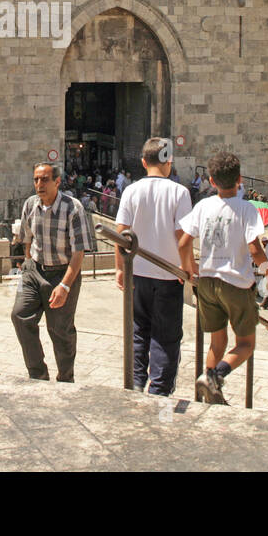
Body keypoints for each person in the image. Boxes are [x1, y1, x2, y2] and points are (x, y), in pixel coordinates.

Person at [179, 150, 268, 405]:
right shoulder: (247, 209)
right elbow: (254, 249)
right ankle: (216, 376)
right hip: (236, 283)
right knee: (246, 344)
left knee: (217, 342)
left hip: (206, 282)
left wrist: (190, 269)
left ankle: (208, 393)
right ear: (239, 179)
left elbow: (184, 243)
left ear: (211, 180)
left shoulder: (203, 205)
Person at [115, 137, 193, 395]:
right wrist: (187, 268)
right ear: (168, 161)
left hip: (137, 273)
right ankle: (159, 391)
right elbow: (183, 236)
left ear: (143, 162)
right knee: (166, 336)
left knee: (140, 332)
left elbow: (121, 233)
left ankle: (136, 383)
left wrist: (119, 269)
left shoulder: (131, 190)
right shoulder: (179, 192)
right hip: (169, 275)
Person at [11, 163, 94, 383]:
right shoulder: (30, 204)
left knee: (60, 330)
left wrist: (65, 285)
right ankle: (37, 372)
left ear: (57, 182)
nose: (39, 184)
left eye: (45, 179)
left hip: (62, 273)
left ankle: (66, 377)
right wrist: (27, 264)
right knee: (20, 316)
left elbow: (78, 252)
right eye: (36, 179)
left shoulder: (73, 208)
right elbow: (26, 238)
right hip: (34, 270)